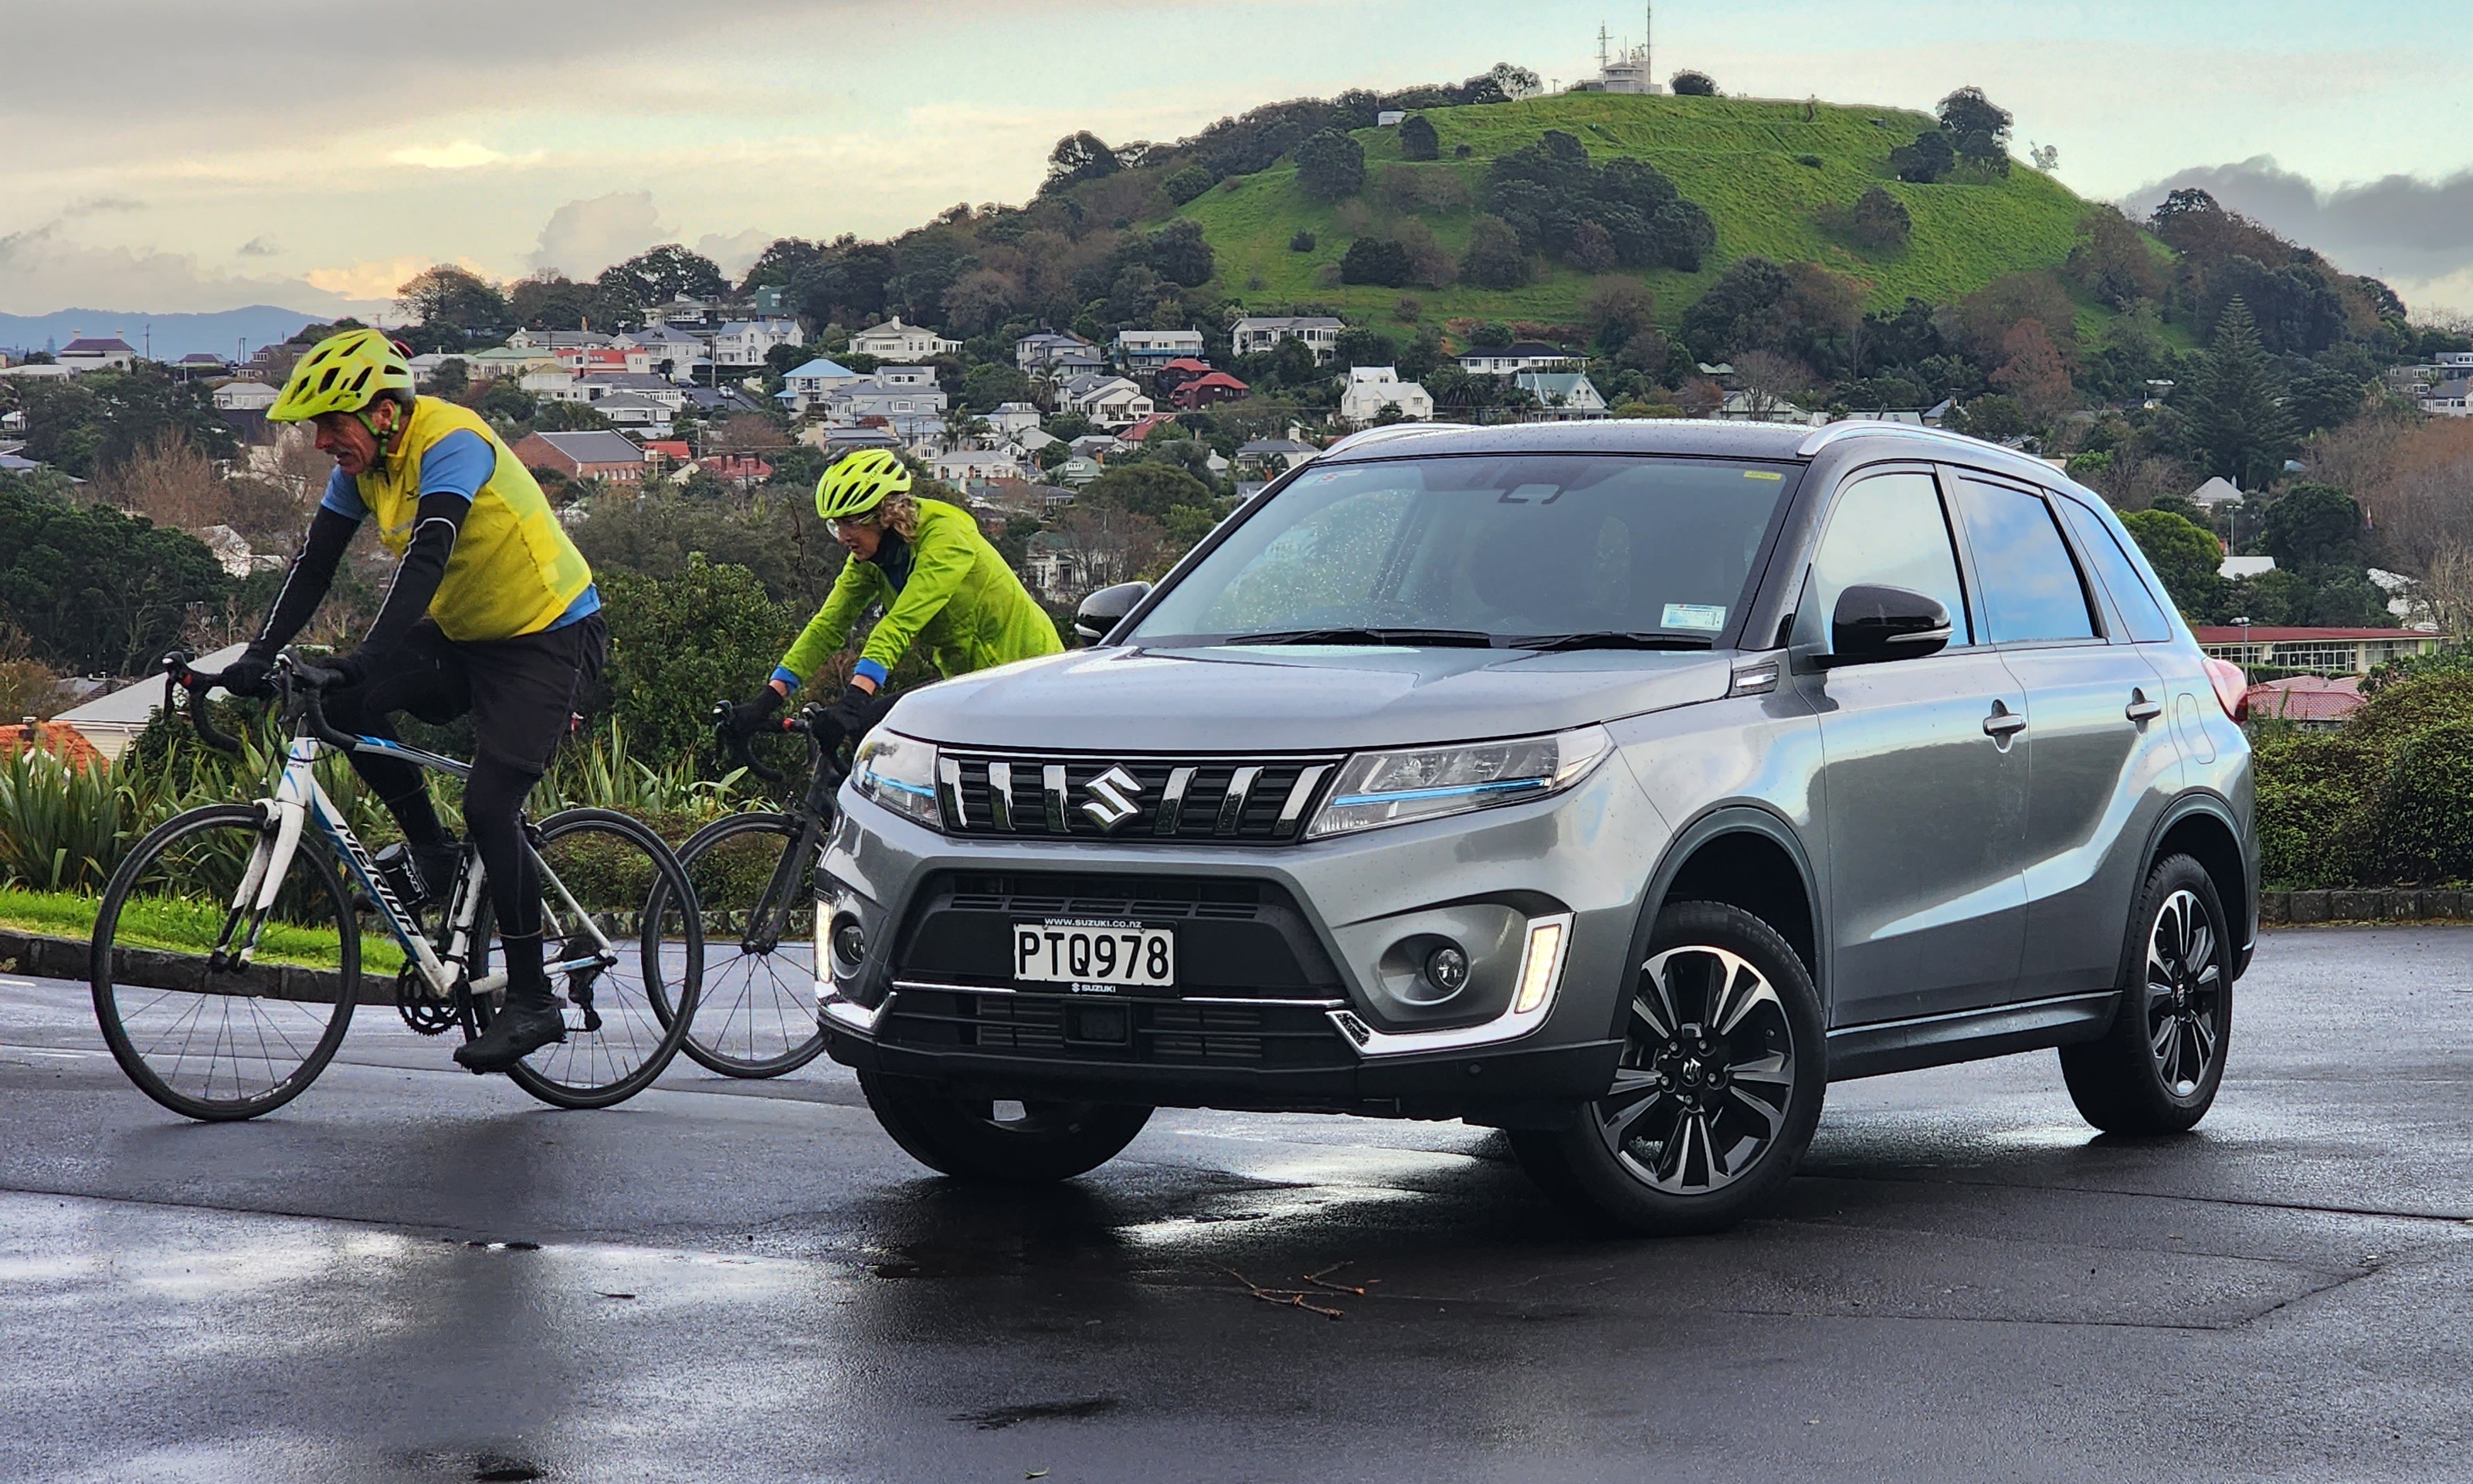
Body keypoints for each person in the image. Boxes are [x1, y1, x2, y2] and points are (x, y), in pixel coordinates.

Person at [219, 329, 605, 1073]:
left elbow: (429, 552)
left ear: (386, 411)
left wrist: (364, 654)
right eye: (315, 426)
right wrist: (258, 654)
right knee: (351, 702)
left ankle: (532, 1000)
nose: (322, 439)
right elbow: (315, 562)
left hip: (549, 639)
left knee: (493, 807)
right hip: (469, 635)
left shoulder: (452, 440)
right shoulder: (363, 468)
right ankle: (430, 850)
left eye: (334, 422)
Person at [728, 449, 1063, 740]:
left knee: (884, 728)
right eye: (836, 526)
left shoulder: (945, 535)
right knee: (882, 732)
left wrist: (857, 697)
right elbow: (828, 625)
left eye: (850, 524)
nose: (843, 537)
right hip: (970, 682)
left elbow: (902, 621)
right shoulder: (871, 558)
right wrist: (768, 699)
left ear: (885, 515)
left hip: (1028, 677)